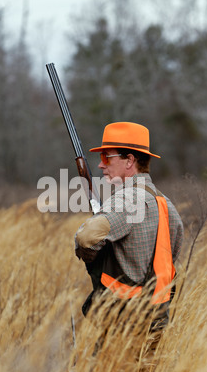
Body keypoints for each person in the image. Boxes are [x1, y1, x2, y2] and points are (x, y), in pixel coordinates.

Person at [75, 121, 184, 336]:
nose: (100, 165)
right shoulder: (164, 202)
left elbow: (86, 237)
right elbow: (174, 251)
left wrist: (89, 255)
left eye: (107, 157)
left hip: (123, 323)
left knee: (105, 370)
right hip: (157, 320)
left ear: (130, 160)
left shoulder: (128, 200)